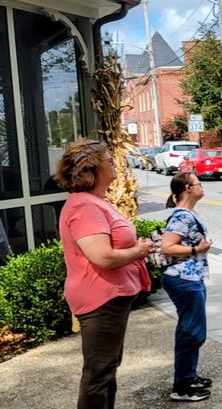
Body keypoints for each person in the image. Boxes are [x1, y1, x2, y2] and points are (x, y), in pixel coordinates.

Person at [55, 139, 153, 409]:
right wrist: (137, 251)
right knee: (98, 375)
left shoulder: (95, 202)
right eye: (109, 160)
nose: (115, 164)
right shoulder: (85, 207)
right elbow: (102, 257)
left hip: (109, 298)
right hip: (101, 299)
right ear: (92, 168)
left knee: (106, 370)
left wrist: (135, 249)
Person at [161, 172, 213, 402]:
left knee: (192, 330)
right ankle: (182, 387)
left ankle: (188, 376)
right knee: (191, 332)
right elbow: (166, 247)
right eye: (198, 183)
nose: (202, 186)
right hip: (184, 279)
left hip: (190, 278)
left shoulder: (187, 214)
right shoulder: (182, 216)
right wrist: (196, 250)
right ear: (188, 188)